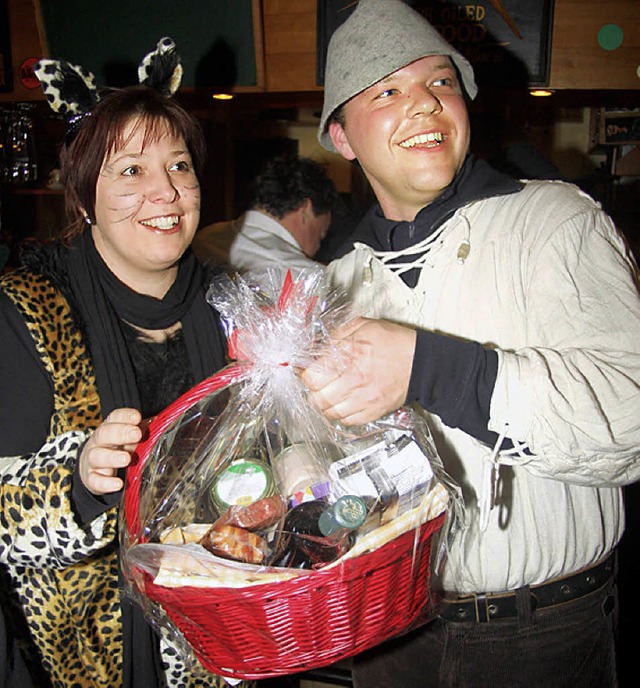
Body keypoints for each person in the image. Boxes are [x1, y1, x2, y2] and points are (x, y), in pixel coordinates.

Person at [301, 1, 640, 686]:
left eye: (441, 82)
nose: (425, 104)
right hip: (385, 635)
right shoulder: (333, 287)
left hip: (542, 636)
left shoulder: (555, 223)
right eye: (388, 90)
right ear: (341, 135)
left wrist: (431, 369)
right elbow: (325, 465)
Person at [0, 42, 251, 688]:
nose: (165, 191)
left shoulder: (231, 308)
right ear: (83, 198)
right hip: (85, 663)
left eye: (179, 165)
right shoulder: (28, 312)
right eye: (131, 171)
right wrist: (78, 481)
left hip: (223, 649)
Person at [192, 154, 337, 274]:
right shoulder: (305, 276)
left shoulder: (202, 238)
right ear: (306, 209)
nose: (318, 247)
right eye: (321, 234)